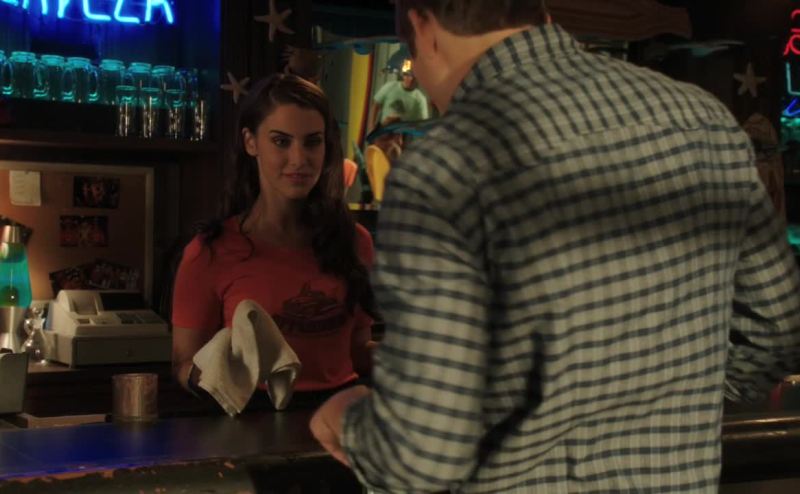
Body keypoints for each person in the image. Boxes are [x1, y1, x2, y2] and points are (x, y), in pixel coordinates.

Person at [310, 1, 800, 492]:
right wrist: (680, 388)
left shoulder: (445, 166)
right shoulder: (704, 120)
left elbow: (426, 453)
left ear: (423, 28)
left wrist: (351, 422)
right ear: (539, 12)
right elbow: (778, 328)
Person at [171, 74, 379, 402]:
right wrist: (210, 373)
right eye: (281, 141)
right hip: (250, 419)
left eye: (312, 142)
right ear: (251, 142)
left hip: (338, 418)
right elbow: (183, 362)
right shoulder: (210, 252)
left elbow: (357, 350)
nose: (299, 159)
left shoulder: (355, 242)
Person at [369, 63, 429, 130]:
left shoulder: (420, 99)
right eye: (408, 75)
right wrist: (371, 127)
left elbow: (424, 123)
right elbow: (375, 105)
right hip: (384, 129)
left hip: (404, 133)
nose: (411, 79)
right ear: (403, 76)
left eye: (414, 77)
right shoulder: (390, 86)